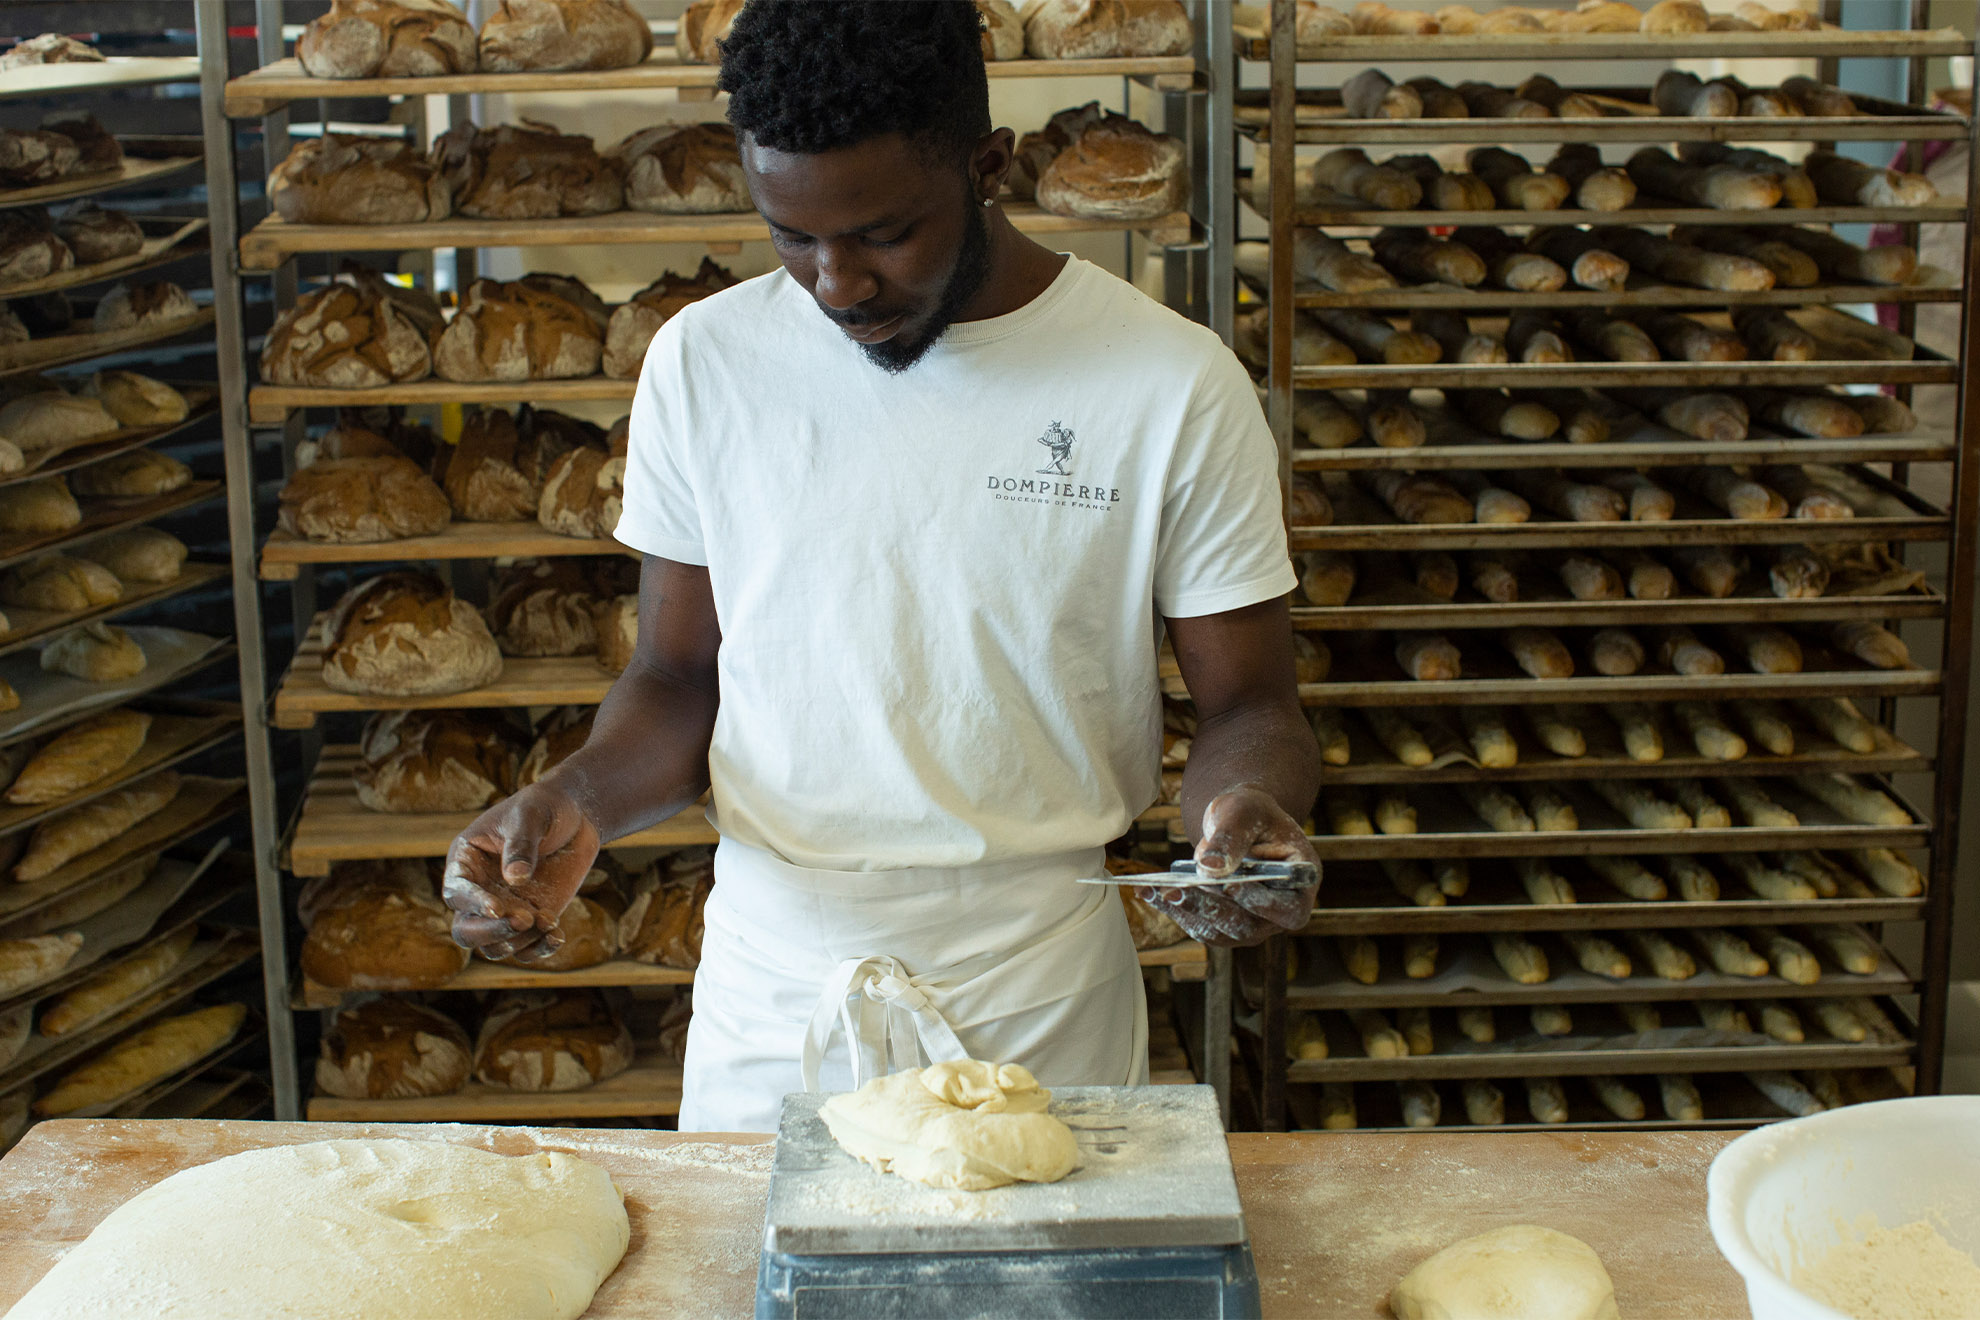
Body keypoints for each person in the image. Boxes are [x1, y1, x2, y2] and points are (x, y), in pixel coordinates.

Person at [442, 0, 1322, 1133]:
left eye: (884, 234)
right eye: (792, 237)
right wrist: (577, 799)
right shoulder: (708, 364)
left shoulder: (1164, 382)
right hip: (776, 990)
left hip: (1035, 985)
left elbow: (1252, 701)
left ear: (988, 164)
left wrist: (1245, 809)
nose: (836, 285)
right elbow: (675, 678)